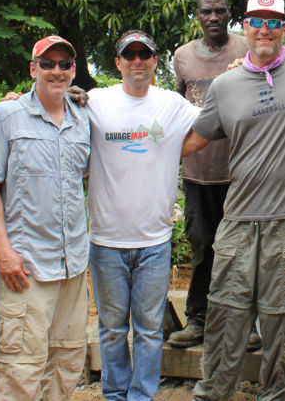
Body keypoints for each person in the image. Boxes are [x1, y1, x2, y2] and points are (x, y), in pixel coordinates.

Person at [183, 0, 285, 400]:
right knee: (225, 311)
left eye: (274, 22)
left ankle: (275, 395)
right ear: (245, 27)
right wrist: (132, 145)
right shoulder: (225, 84)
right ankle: (213, 393)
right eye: (257, 21)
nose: (265, 29)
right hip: (238, 218)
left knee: (284, 318)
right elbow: (191, 140)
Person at [86, 30, 200, 401]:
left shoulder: (172, 104)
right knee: (113, 328)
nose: (138, 61)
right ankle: (115, 394)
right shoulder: (95, 101)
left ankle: (142, 395)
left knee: (149, 329)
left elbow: (213, 123)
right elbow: (50, 108)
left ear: (154, 61)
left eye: (145, 54)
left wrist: (174, 151)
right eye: (129, 55)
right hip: (106, 241)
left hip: (154, 240)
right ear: (118, 63)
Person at [0, 35, 91, 401]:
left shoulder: (83, 118)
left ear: (73, 71)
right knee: (21, 367)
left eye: (64, 65)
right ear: (33, 69)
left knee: (67, 360)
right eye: (48, 64)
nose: (56, 71)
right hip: (25, 267)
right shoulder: (6, 115)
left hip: (72, 265)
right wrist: (4, 250)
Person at [168, 0, 254, 350]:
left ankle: (245, 325)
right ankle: (198, 320)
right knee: (202, 247)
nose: (214, 18)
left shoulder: (245, 49)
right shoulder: (183, 56)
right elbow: (177, 107)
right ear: (198, 15)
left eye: (220, 11)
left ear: (229, 13)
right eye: (207, 12)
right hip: (198, 173)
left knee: (242, 250)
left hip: (242, 173)